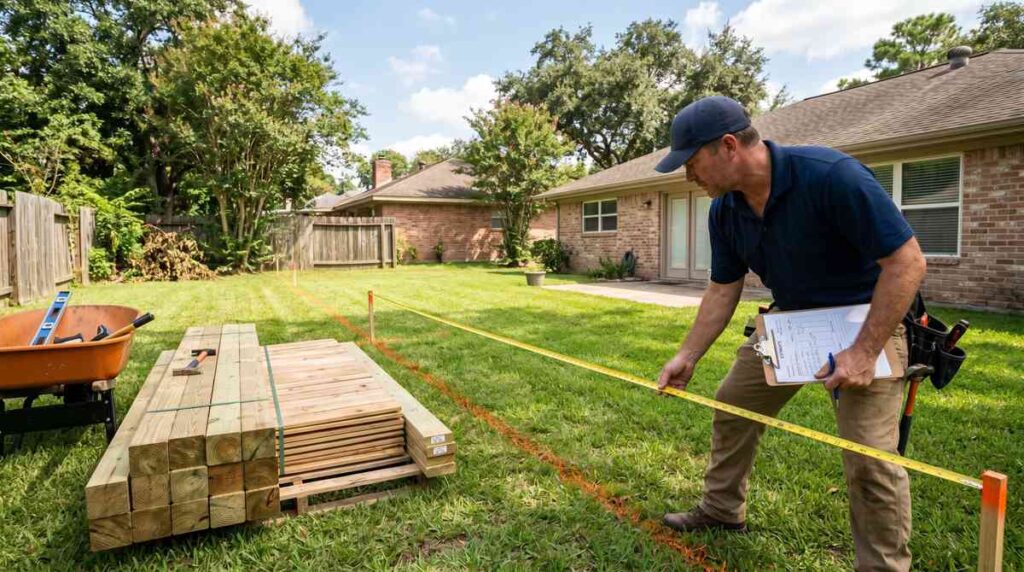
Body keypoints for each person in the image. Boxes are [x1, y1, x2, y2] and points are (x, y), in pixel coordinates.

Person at [654, 96, 926, 571]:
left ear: (729, 146)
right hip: (791, 323)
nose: (688, 177)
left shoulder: (830, 176)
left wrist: (863, 352)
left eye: (693, 162)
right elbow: (723, 289)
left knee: (869, 457)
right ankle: (722, 510)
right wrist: (688, 354)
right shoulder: (725, 211)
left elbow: (907, 262)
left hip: (868, 322)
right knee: (732, 405)